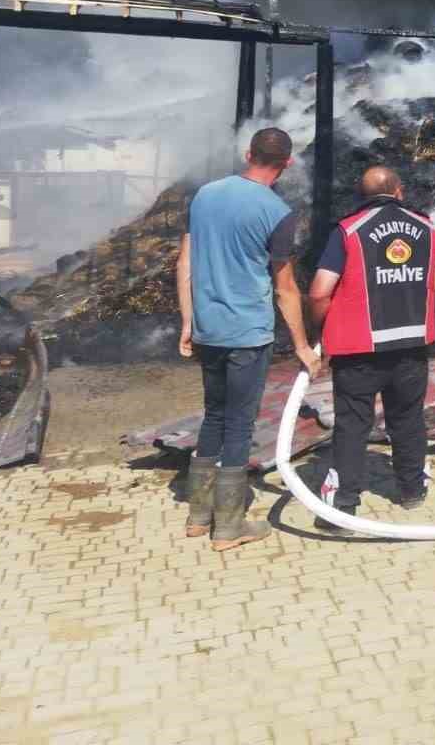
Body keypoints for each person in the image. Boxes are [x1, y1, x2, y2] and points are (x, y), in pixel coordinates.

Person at [177, 126, 321, 551]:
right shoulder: (278, 213)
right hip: (247, 333)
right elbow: (286, 288)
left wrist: (188, 320)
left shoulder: (204, 195)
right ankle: (229, 528)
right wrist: (301, 347)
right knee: (239, 423)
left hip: (208, 327)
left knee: (214, 416)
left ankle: (198, 516)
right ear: (287, 163)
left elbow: (184, 261)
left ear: (248, 154)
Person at [307, 165, 435, 534]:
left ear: (362, 195)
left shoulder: (347, 230)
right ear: (399, 191)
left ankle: (343, 508)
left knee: (353, 425)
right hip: (412, 345)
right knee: (408, 418)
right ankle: (412, 490)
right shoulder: (427, 228)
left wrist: (320, 332)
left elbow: (320, 290)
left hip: (359, 349)